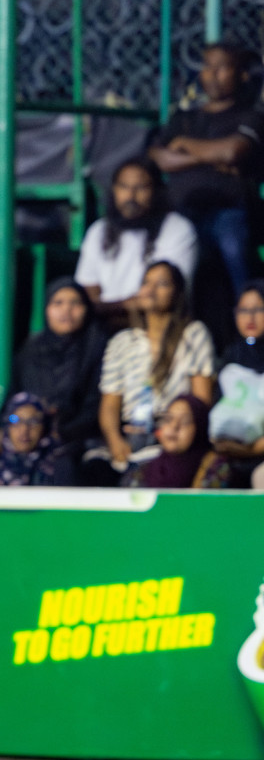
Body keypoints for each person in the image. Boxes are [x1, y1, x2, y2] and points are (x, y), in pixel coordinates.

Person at [148, 42, 264, 297]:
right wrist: (212, 157)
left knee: (233, 247)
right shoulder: (183, 117)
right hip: (182, 208)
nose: (212, 74)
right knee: (169, 256)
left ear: (242, 74)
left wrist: (184, 146)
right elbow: (160, 158)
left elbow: (233, 151)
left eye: (221, 68)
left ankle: (246, 311)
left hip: (229, 209)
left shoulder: (250, 116)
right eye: (207, 66)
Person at [93, 261, 216, 478]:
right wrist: (115, 441)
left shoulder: (193, 334)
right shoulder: (122, 341)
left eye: (162, 283)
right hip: (131, 433)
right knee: (93, 468)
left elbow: (201, 402)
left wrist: (172, 430)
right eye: (146, 283)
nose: (150, 289)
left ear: (177, 294)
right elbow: (110, 405)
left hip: (172, 434)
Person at [74, 158, 198, 323]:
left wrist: (105, 307)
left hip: (154, 324)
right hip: (102, 324)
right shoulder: (99, 230)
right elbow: (87, 288)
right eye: (123, 187)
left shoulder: (178, 229)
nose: (130, 196)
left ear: (156, 190)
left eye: (140, 188)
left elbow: (164, 296)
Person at [11, 279, 107, 449]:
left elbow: (94, 406)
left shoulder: (96, 347)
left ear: (86, 309)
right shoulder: (30, 349)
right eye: (58, 303)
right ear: (47, 309)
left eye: (75, 303)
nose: (66, 310)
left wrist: (61, 432)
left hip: (78, 438)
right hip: (27, 434)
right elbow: (12, 397)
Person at [211, 281, 264, 487]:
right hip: (230, 453)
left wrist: (249, 450)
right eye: (243, 310)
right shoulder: (230, 358)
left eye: (258, 309)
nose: (250, 317)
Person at [127, 393, 230, 489]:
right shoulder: (145, 468)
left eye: (185, 421)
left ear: (200, 428)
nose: (174, 426)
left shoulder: (216, 468)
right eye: (168, 419)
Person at [0, 392, 75, 486]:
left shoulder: (61, 469)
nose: (24, 430)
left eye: (33, 421)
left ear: (45, 426)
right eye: (15, 420)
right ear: (6, 425)